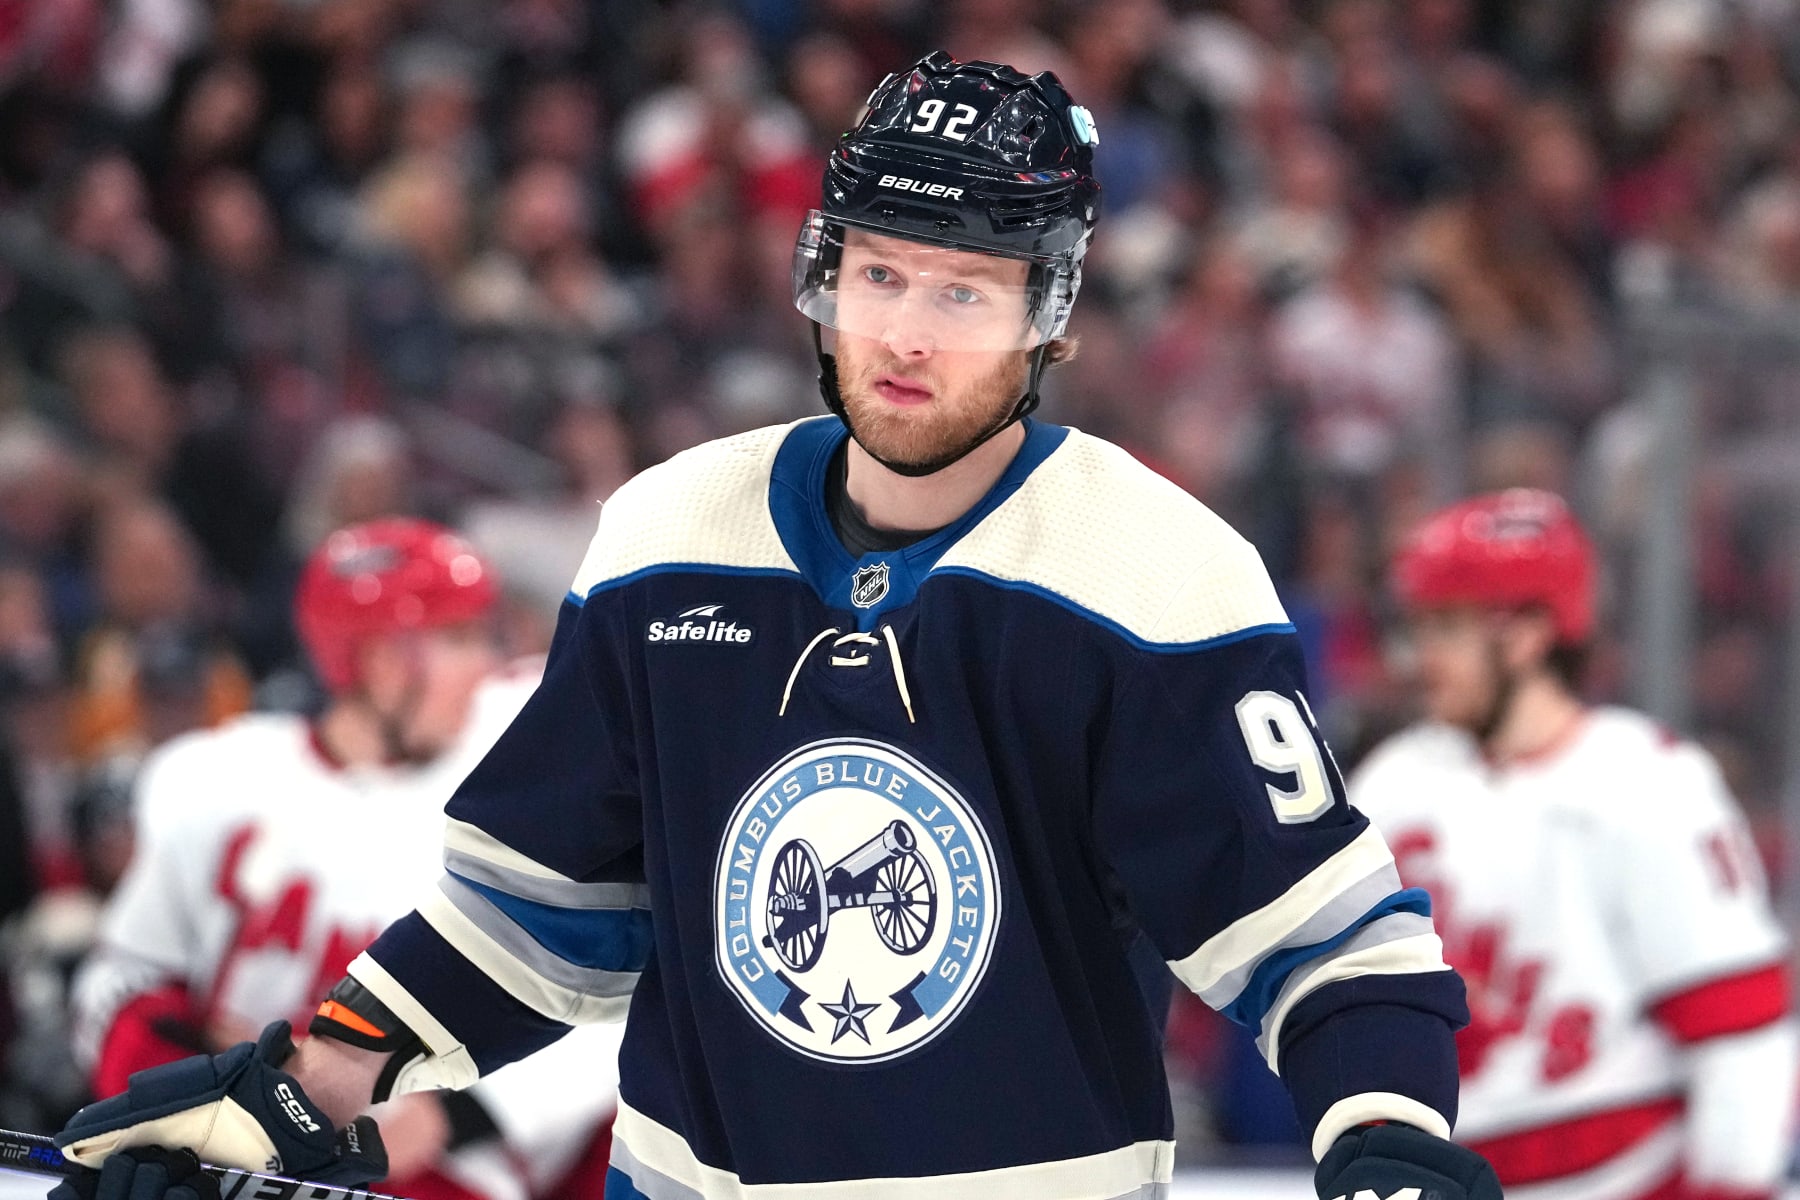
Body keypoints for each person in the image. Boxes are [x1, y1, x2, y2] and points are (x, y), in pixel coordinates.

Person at [50, 53, 1500, 1200]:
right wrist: (319, 1081)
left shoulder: (1160, 577)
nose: (909, 335)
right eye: (879, 274)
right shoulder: (665, 536)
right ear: (822, 272)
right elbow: (536, 915)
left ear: (1051, 313)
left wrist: (1382, 1146)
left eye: (963, 292)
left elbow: (1331, 950)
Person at [65, 518, 622, 1200]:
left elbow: (606, 995)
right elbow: (122, 981)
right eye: (456, 639)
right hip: (238, 1166)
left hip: (444, 1174)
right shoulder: (220, 780)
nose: (484, 662)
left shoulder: (518, 768)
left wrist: (449, 1118)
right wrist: (197, 1095)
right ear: (379, 661)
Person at [1349, 489, 1797, 1200]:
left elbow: (1739, 1031)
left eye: (1447, 628)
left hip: (1631, 1178)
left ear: (1527, 633)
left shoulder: (1646, 782)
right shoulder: (1394, 781)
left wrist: (1732, 1190)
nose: (1420, 657)